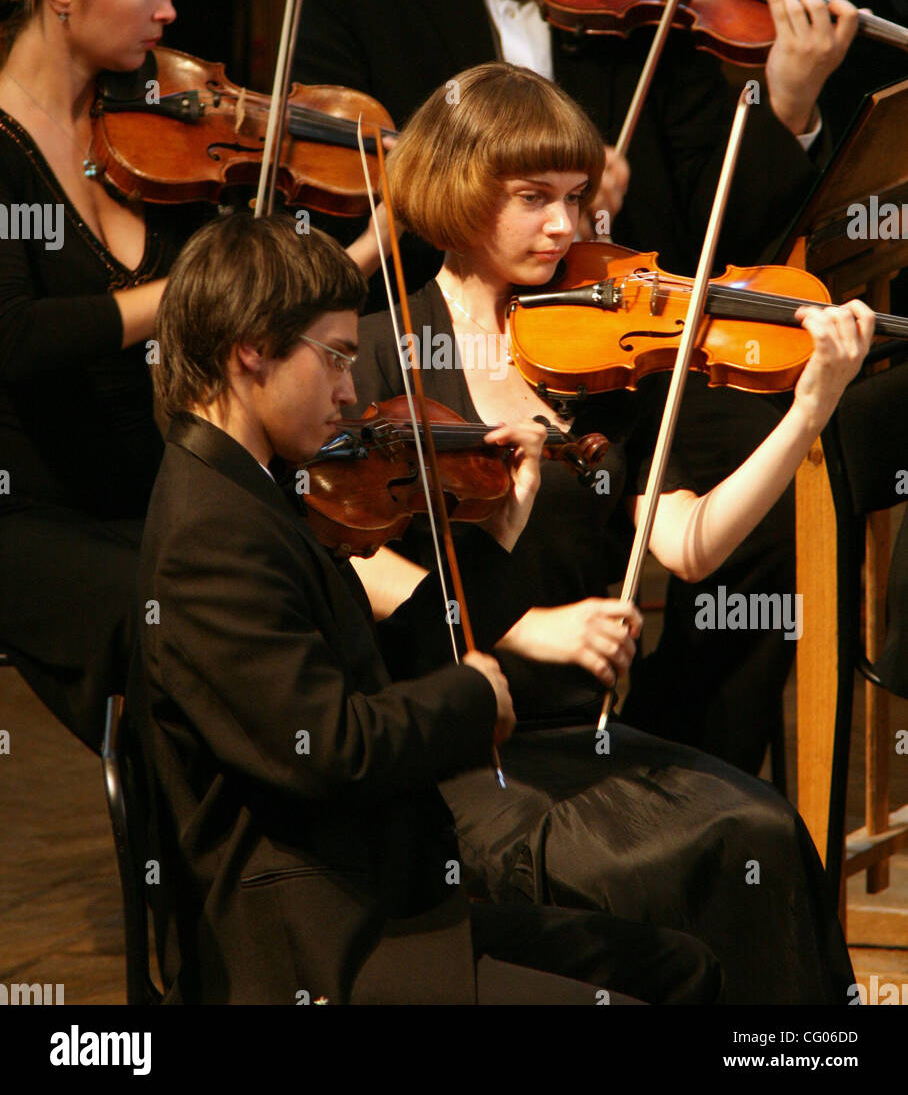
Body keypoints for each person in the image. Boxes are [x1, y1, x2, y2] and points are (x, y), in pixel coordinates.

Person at [293, 0, 862, 772]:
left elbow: (714, 234)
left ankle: (685, 771)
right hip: (438, 359)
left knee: (775, 526)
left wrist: (783, 106)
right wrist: (504, 192)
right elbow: (335, 205)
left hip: (620, 348)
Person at [346, 61, 870, 1004]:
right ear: (460, 191)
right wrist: (513, 627)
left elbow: (694, 543)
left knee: (761, 830)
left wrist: (809, 411)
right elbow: (340, 558)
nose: (568, 227)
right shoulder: (380, 343)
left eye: (579, 199)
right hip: (450, 744)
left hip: (579, 731)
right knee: (620, 874)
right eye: (534, 199)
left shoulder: (595, 350)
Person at [136, 210, 723, 1005]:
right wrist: (476, 695)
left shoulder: (258, 490)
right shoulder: (212, 534)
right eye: (336, 358)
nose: (351, 391)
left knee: (682, 968)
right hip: (321, 945)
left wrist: (500, 545)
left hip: (378, 898)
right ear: (252, 349)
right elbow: (334, 750)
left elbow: (384, 664)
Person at [0, 0, 208, 750]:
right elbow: (13, 338)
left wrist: (366, 244)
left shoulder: (152, 123)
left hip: (159, 493)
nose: (168, 12)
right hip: (32, 513)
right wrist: (183, 296)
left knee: (290, 593)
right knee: (174, 634)